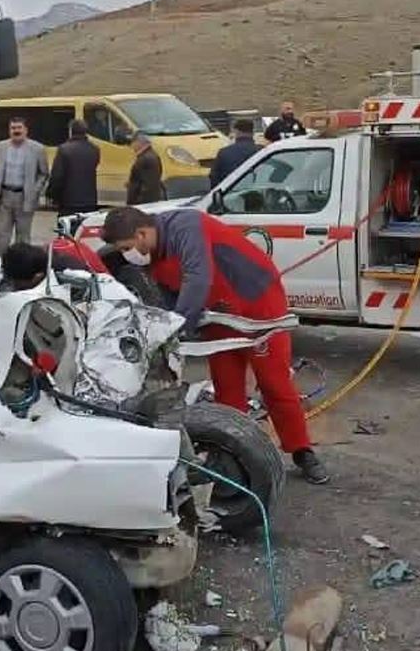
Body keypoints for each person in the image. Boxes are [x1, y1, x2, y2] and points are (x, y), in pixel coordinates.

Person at [101, 205, 329, 484]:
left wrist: (176, 327)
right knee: (227, 388)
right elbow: (170, 296)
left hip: (258, 302)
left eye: (127, 247)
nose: (128, 254)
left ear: (141, 233)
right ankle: (235, 453)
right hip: (217, 311)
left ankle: (302, 451)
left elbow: (197, 277)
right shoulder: (151, 255)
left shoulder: (186, 227)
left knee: (274, 382)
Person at [0, 117, 48, 257]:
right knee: (1, 236)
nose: (16, 131)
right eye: (13, 128)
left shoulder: (37, 149)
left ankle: (21, 268)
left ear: (26, 130)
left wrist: (35, 191)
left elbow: (44, 174)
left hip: (25, 198)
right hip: (4, 197)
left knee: (23, 237)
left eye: (19, 128)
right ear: (9, 130)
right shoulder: (0, 147)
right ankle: (1, 265)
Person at [46, 118, 100, 215]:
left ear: (70, 131)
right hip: (90, 200)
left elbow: (57, 176)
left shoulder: (64, 149)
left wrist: (52, 195)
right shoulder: (94, 149)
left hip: (68, 200)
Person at [210, 118, 260, 187]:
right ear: (253, 132)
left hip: (231, 193)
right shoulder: (262, 151)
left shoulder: (224, 152)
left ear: (236, 131)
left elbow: (214, 177)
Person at [126, 131, 166, 205]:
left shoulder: (146, 159)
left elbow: (149, 185)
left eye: (133, 142)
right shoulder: (148, 156)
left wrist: (139, 202)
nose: (131, 145)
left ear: (139, 142)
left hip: (144, 203)